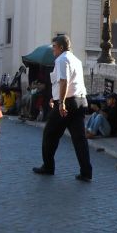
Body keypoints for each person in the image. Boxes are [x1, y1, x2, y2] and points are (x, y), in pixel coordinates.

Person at [33, 35, 93, 181]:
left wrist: (61, 103)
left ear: (60, 47)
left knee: (49, 134)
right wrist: (55, 97)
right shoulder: (76, 60)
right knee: (79, 139)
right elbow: (71, 82)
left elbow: (64, 81)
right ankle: (86, 172)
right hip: (80, 101)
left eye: (54, 46)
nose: (53, 49)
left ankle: (48, 166)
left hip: (68, 103)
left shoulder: (61, 60)